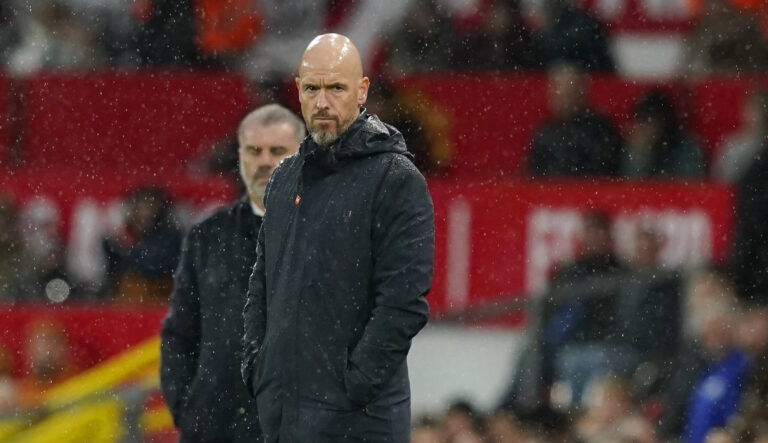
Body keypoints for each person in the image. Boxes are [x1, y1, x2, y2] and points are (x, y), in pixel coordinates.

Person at [241, 33, 435, 442]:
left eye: (336, 88)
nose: (322, 102)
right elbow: (262, 282)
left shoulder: (396, 180)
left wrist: (354, 386)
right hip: (284, 416)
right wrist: (259, 367)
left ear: (362, 91)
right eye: (312, 88)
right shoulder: (284, 178)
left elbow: (403, 304)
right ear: (297, 90)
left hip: (359, 422)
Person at [160, 104, 303, 442]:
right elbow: (180, 331)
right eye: (254, 150)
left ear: (303, 157)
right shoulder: (207, 236)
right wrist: (186, 405)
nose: (265, 161)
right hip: (214, 427)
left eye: (278, 151)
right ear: (240, 157)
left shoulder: (329, 232)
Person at [527, 63, 624, 177]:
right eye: (557, 93)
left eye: (568, 94)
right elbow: (533, 175)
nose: (562, 100)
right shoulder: (545, 132)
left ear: (582, 93)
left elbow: (605, 173)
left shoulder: (600, 131)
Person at [102, 186, 182, 303]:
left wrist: (125, 251)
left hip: (160, 299)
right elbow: (109, 270)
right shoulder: (122, 234)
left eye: (151, 204)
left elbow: (153, 265)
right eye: (141, 204)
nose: (145, 210)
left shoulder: (171, 237)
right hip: (127, 301)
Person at [621, 90, 705, 179]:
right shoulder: (634, 148)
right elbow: (629, 187)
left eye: (651, 123)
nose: (647, 130)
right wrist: (639, 154)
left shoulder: (686, 150)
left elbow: (689, 187)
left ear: (663, 124)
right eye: (642, 122)